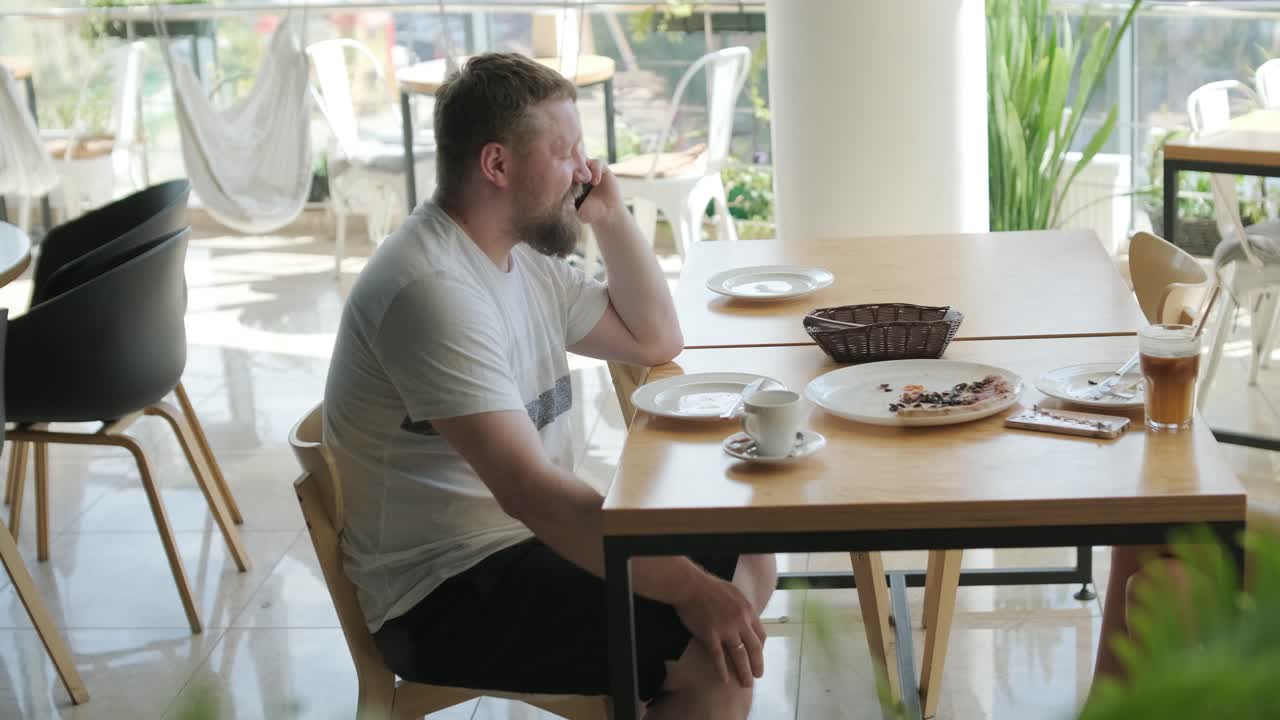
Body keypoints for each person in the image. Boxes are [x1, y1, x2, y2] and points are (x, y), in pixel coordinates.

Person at [323, 52, 776, 719]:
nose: (586, 172)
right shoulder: (432, 292)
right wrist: (684, 590)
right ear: (497, 165)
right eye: (564, 152)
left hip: (523, 545)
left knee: (749, 556)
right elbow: (530, 493)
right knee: (715, 654)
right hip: (444, 591)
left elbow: (656, 340)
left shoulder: (519, 256)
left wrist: (612, 218)